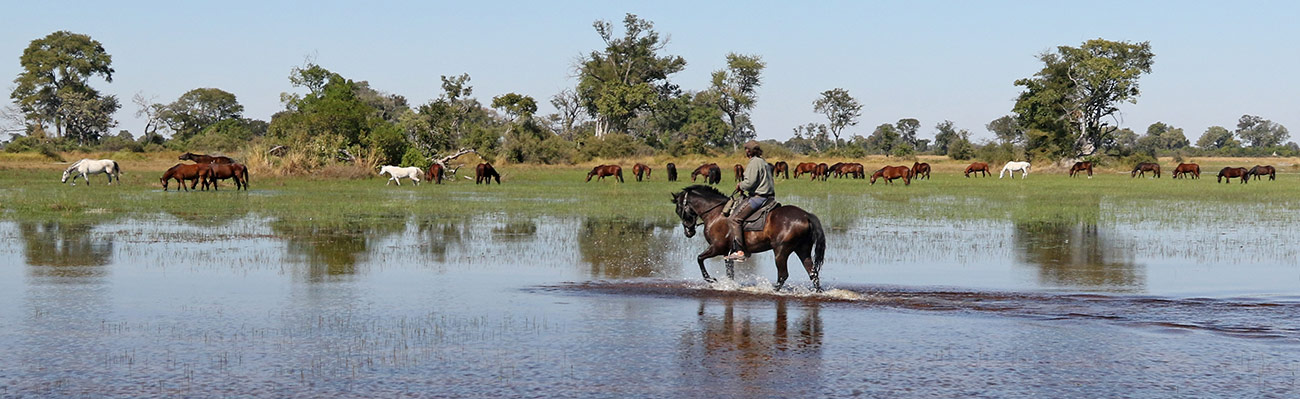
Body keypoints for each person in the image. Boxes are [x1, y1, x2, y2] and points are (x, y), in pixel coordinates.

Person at [724, 140, 775, 262]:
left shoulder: (754, 163)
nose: (746, 151)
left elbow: (750, 182)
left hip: (758, 197)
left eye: (746, 149)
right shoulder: (763, 161)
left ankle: (740, 251)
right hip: (769, 197)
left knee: (734, 219)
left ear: (749, 151)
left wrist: (740, 185)